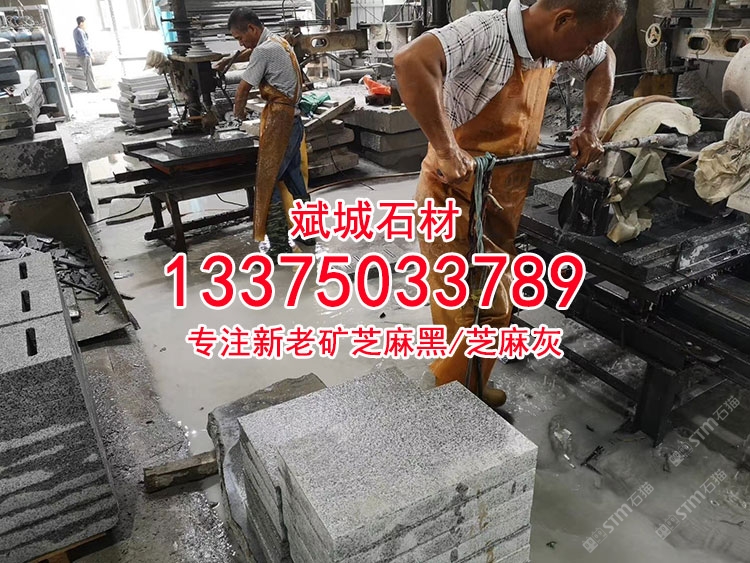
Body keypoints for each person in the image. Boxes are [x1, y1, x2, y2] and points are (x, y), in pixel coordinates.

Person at [394, 0, 625, 407]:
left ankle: (469, 387)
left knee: (487, 309)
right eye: (588, 39)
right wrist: (446, 149)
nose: (590, 49)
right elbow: (411, 60)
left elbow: (604, 61)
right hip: (452, 196)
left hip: (503, 198)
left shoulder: (552, 48)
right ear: (563, 20)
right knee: (476, 311)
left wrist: (590, 124)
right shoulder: (487, 33)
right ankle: (447, 404)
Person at [223, 8, 310, 260]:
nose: (241, 43)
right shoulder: (279, 41)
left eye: (240, 37)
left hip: (280, 122)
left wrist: (235, 120)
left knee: (268, 181)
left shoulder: (262, 51)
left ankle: (279, 244)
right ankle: (308, 233)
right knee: (294, 178)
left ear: (252, 28)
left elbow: (242, 90)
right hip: (294, 120)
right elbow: (254, 56)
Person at [73, 16, 98, 93]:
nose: (86, 25)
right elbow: (84, 44)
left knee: (86, 72)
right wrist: (90, 54)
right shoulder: (80, 31)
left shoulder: (76, 30)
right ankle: (93, 89)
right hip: (84, 55)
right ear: (81, 23)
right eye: (85, 23)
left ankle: (90, 88)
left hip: (81, 55)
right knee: (89, 73)